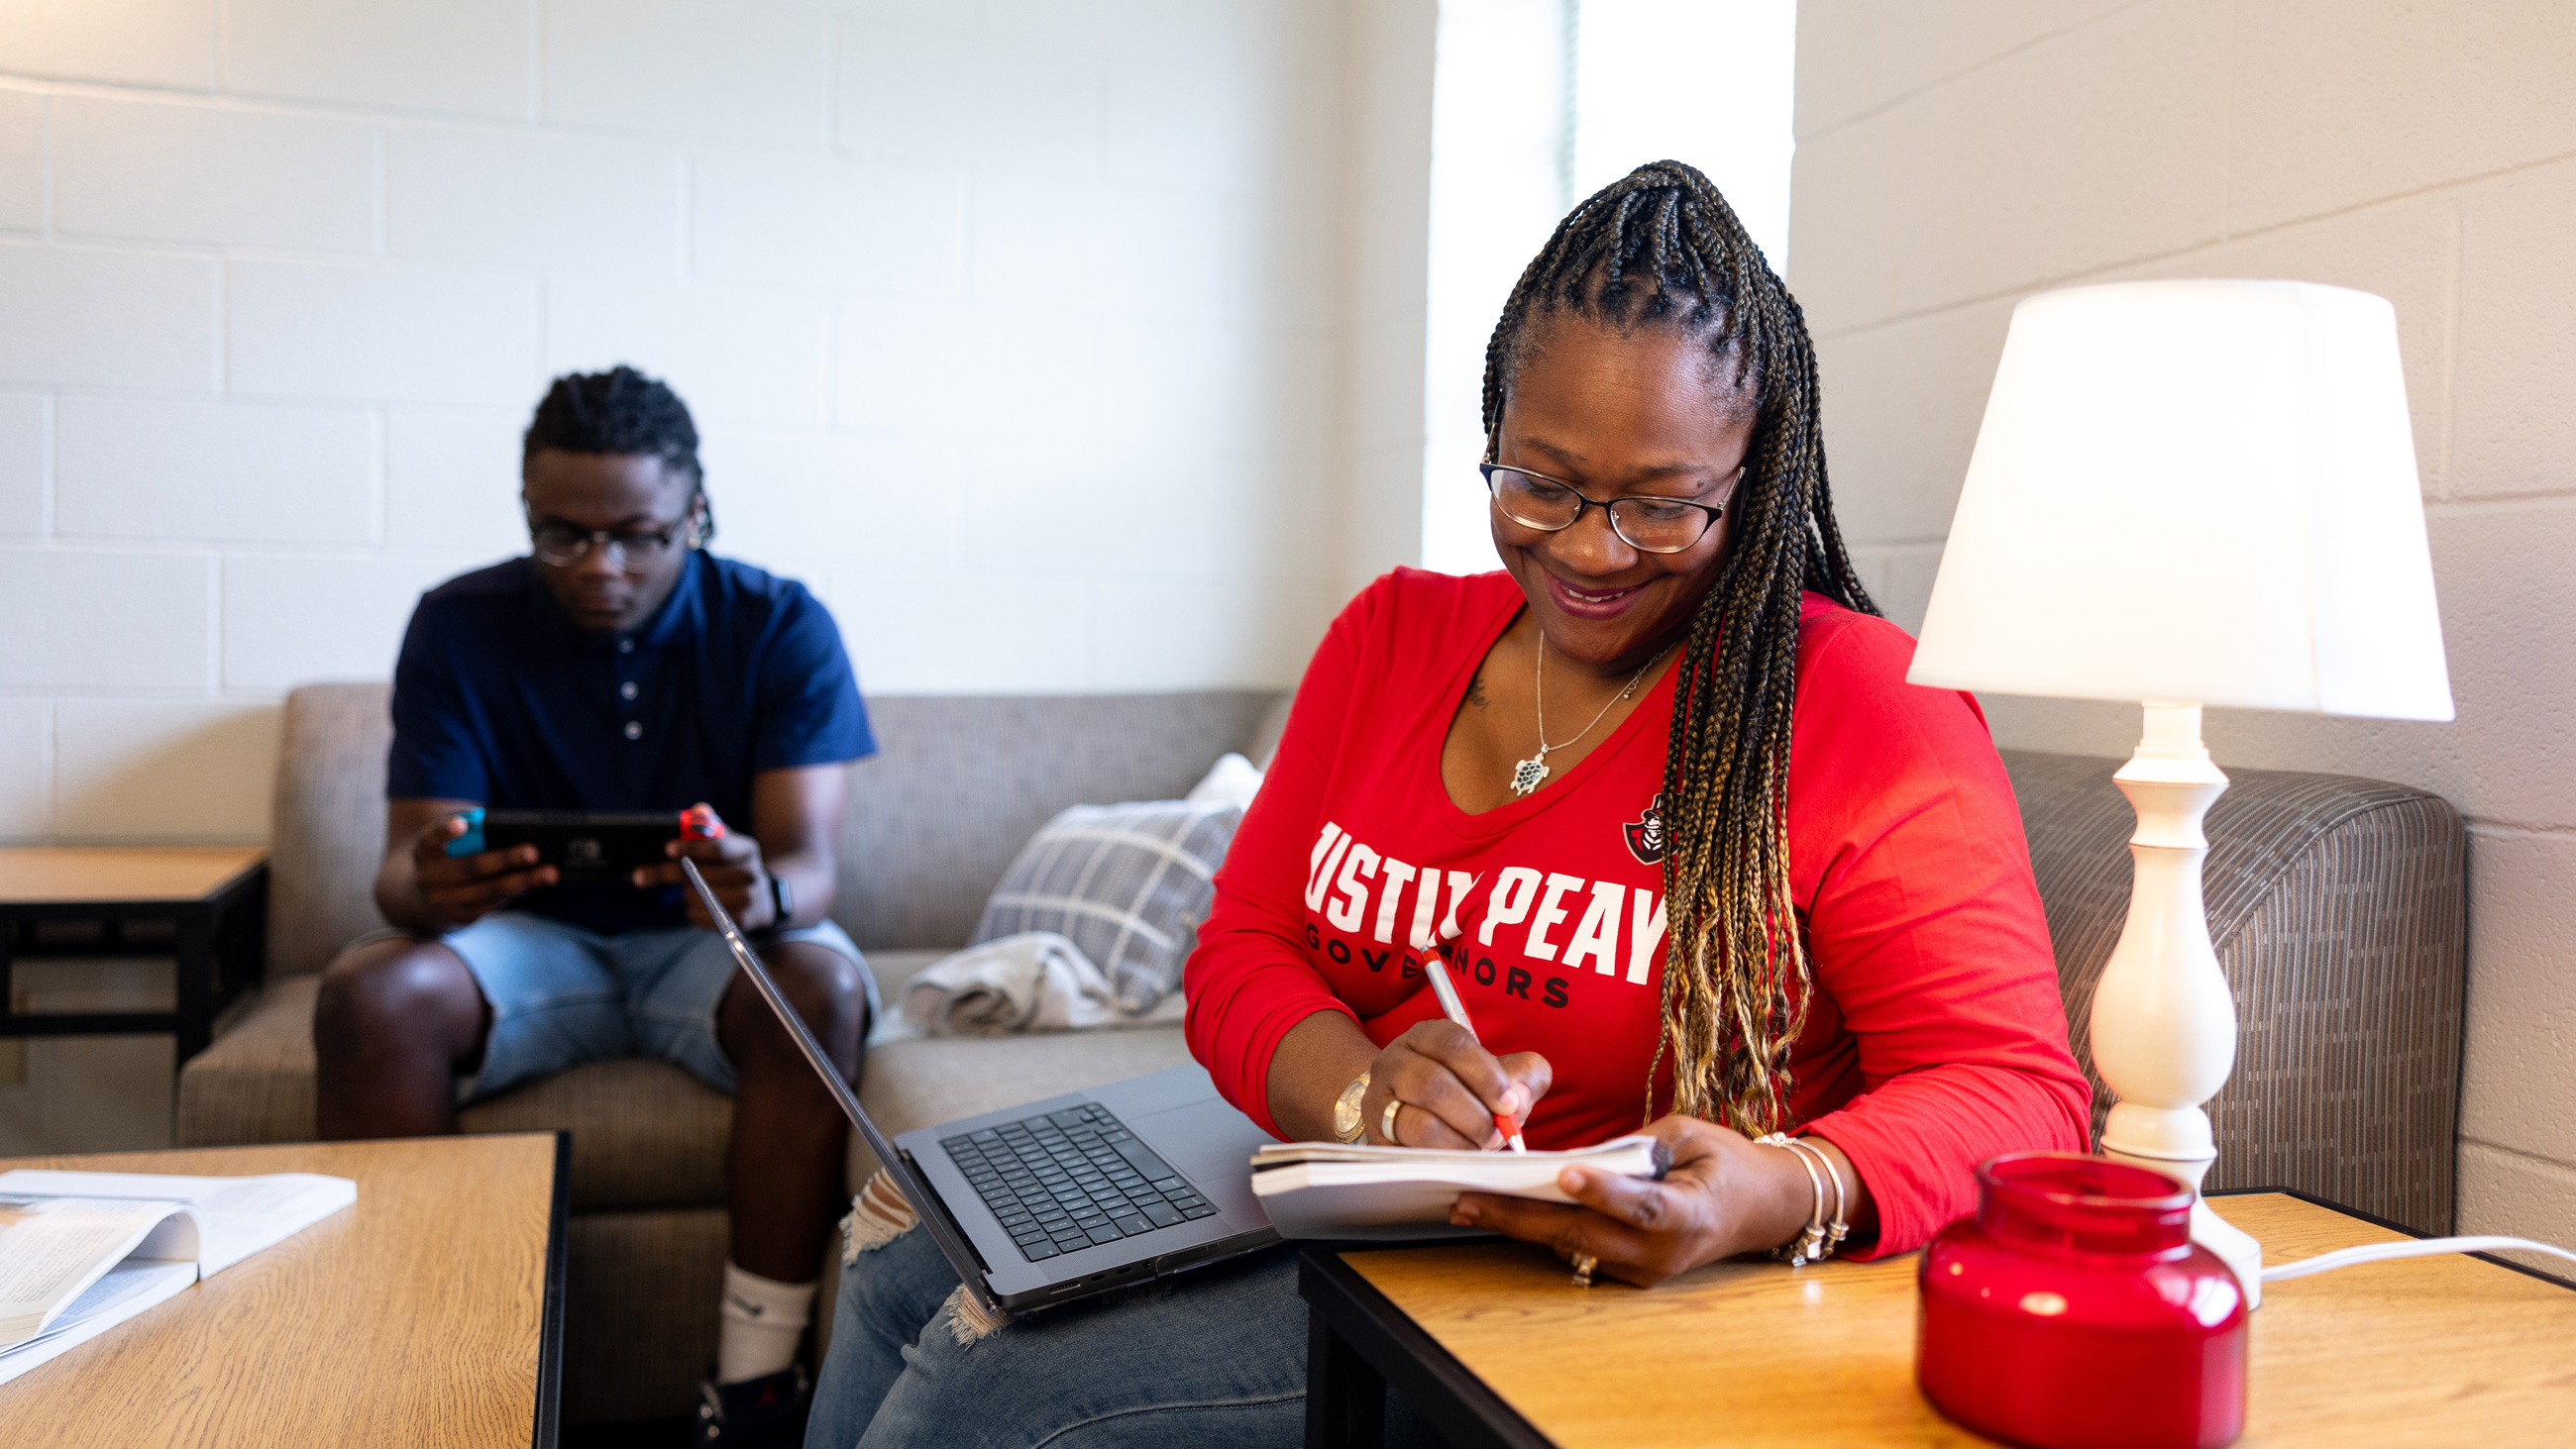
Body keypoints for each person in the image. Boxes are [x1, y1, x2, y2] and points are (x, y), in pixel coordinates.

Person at [803, 161, 2091, 1448]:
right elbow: (1243, 944)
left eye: (1660, 505)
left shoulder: (1861, 703)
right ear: (1493, 430)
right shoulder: (1393, 634)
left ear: (1751, 484)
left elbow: (2015, 1087)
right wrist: (1366, 1098)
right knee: (900, 1247)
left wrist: (1775, 1185)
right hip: (1340, 1191)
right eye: (1540, 482)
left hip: (1590, 1269)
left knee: (986, 1386)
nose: (1588, 548)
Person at [313, 365, 874, 1447]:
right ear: (528, 509)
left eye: (637, 537)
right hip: (524, 942)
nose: (599, 566)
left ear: (697, 512)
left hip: (709, 946)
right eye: (561, 534)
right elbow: (397, 875)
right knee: (369, 994)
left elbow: (809, 865)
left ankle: (755, 1391)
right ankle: (420, 1379)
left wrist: (763, 887)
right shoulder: (457, 622)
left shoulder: (780, 623)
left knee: (821, 985)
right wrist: (432, 884)